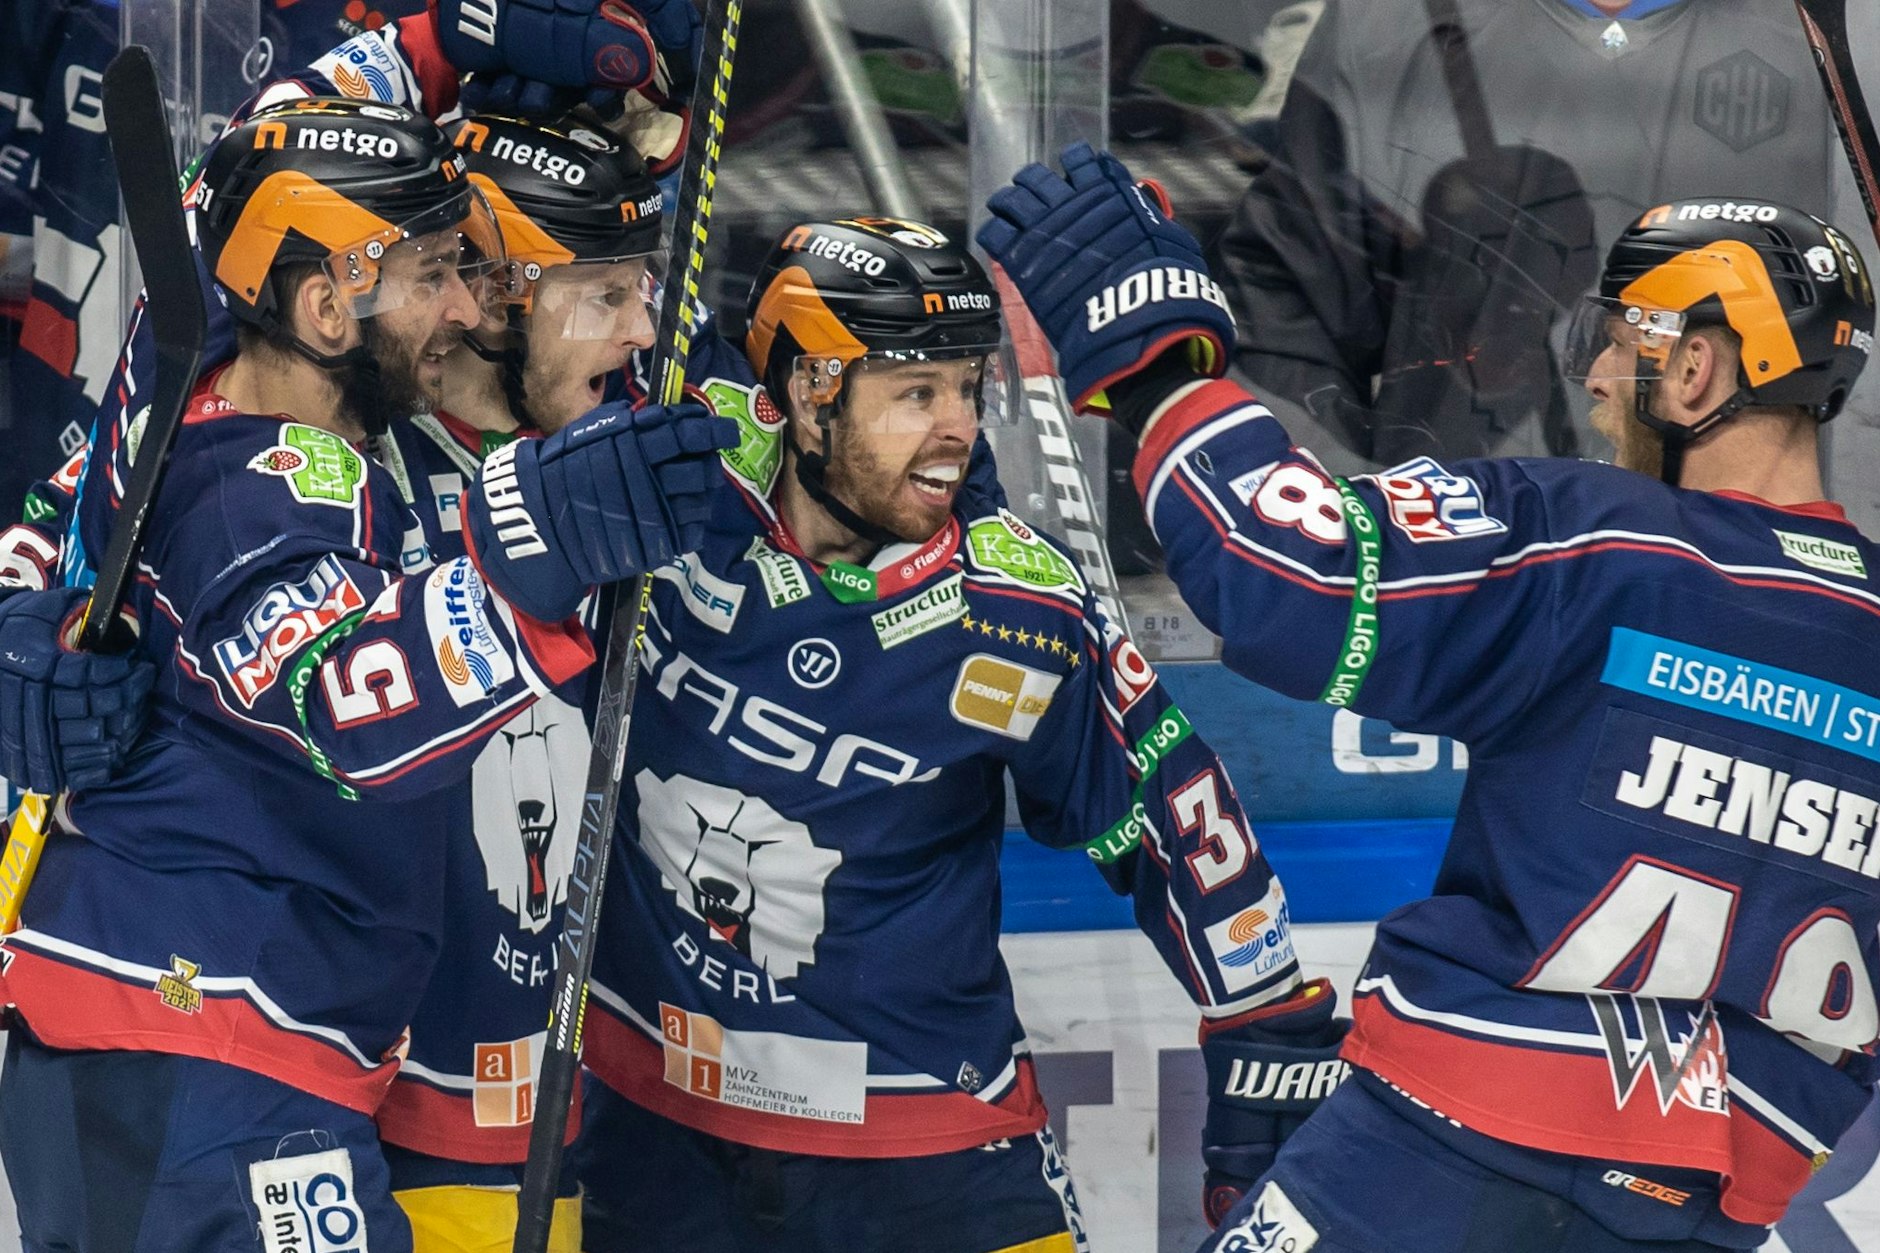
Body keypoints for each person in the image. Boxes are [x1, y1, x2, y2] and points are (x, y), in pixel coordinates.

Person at [980, 142, 1880, 1251]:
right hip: (1714, 1203)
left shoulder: (1597, 542)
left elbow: (1285, 573)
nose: (1594, 381)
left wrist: (1160, 363)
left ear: (1693, 371)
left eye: (1616, 346)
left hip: (1446, 1154)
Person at [0, 94, 730, 1253]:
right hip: (197, 1042)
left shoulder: (264, 434)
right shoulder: (266, 485)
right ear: (328, 304)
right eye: (434, 272)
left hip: (204, 1048)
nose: (461, 305)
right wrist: (533, 552)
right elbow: (348, 704)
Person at [569, 215, 1349, 1253]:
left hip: (925, 1143)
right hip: (650, 1123)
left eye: (966, 388)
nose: (958, 429)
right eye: (914, 392)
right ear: (808, 391)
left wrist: (1266, 1030)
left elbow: (1177, 824)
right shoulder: (671, 476)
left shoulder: (1017, 609)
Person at [369, 109, 670, 1252]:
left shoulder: (650, 449)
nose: (642, 328)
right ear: (493, 295)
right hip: (352, 1099)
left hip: (591, 1115)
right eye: (604, 294)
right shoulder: (342, 451)